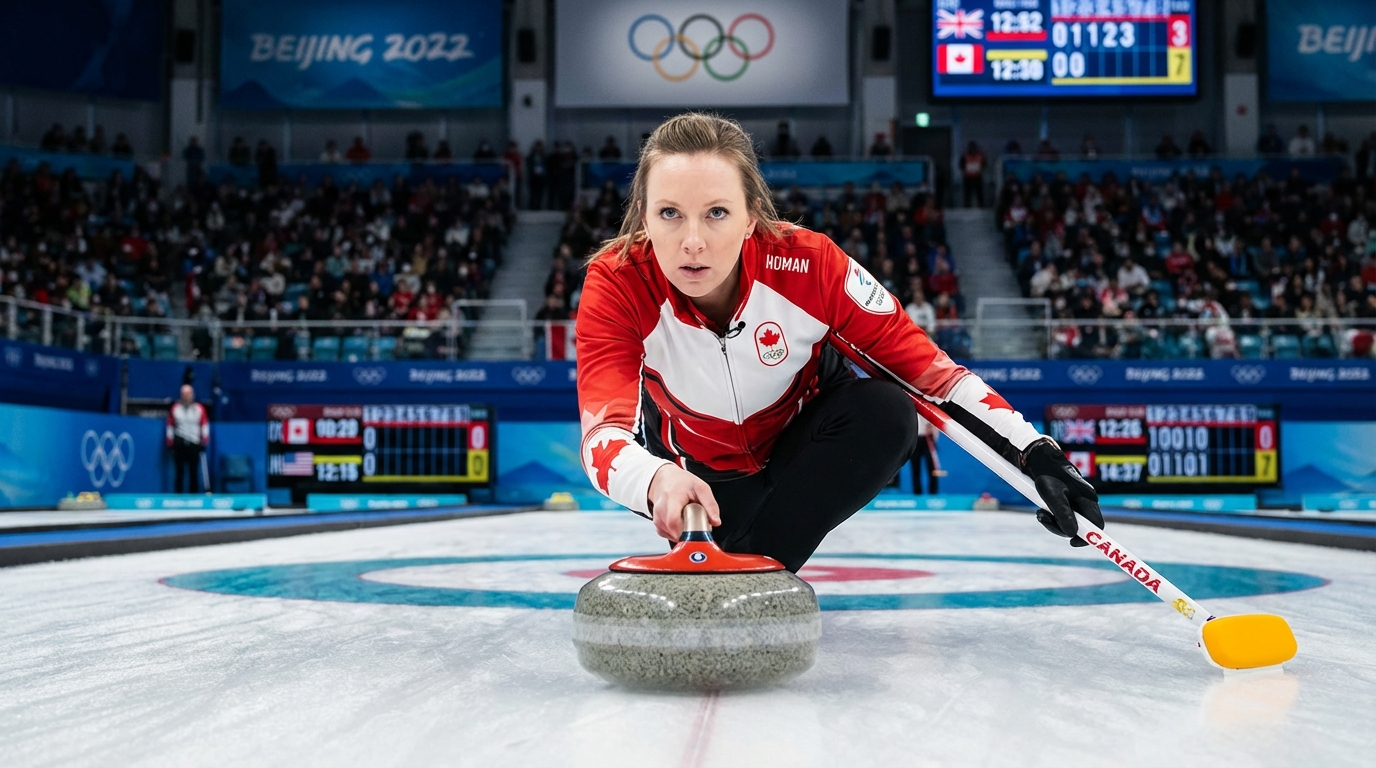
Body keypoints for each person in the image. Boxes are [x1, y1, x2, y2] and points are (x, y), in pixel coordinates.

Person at [575, 113, 1104, 573]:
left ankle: (759, 569)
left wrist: (1037, 457)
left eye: (716, 213)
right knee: (716, 528)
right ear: (643, 215)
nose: (693, 241)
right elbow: (603, 435)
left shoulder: (811, 266)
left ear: (752, 214)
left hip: (800, 451)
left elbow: (933, 379)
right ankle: (743, 557)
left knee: (888, 410)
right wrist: (654, 479)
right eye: (670, 214)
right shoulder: (618, 282)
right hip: (702, 480)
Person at [166, 384, 209, 493]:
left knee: (193, 471)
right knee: (179, 471)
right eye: (184, 394)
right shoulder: (175, 409)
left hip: (194, 442)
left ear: (192, 395)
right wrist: (170, 443)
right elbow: (170, 426)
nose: (186, 396)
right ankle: (178, 497)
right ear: (181, 395)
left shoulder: (199, 409)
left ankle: (194, 497)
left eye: (188, 394)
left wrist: (204, 441)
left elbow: (204, 425)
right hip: (179, 442)